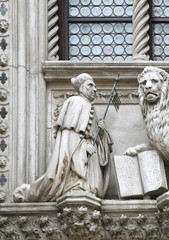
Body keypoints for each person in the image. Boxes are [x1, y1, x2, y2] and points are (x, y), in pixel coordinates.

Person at [13, 73, 113, 202]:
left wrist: (101, 133)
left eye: (95, 86)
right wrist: (83, 147)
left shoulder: (93, 109)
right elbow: (69, 135)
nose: (95, 89)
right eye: (90, 85)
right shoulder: (75, 102)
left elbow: (99, 141)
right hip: (80, 153)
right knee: (78, 187)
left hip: (91, 156)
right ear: (81, 88)